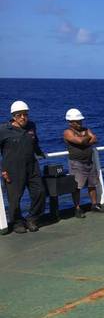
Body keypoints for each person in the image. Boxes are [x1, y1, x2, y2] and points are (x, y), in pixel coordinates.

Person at [0, 101, 45, 235]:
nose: (23, 117)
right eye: (19, 115)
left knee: (40, 192)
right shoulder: (3, 130)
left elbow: (34, 141)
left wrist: (39, 152)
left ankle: (32, 219)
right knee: (15, 198)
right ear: (13, 116)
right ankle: (17, 222)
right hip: (12, 169)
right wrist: (2, 170)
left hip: (32, 166)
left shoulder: (31, 126)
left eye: (25, 114)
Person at [63, 108, 104, 218]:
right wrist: (87, 137)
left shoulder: (85, 129)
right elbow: (80, 141)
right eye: (77, 121)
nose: (80, 123)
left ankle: (94, 204)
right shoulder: (67, 132)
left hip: (89, 161)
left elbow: (95, 139)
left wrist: (84, 139)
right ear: (70, 122)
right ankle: (77, 208)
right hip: (76, 163)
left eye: (80, 121)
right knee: (77, 187)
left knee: (92, 184)